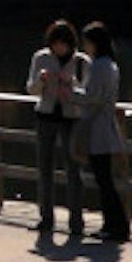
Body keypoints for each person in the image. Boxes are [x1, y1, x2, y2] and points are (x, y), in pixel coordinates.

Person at [26, 18, 87, 243]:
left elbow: (87, 92)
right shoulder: (40, 57)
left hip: (72, 119)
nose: (59, 48)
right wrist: (42, 82)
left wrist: (70, 84)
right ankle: (46, 218)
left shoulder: (81, 61)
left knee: (74, 172)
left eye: (63, 44)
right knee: (45, 169)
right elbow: (31, 89)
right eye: (55, 44)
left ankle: (76, 222)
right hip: (46, 116)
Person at [76, 20, 129, 248]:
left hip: (98, 127)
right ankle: (114, 225)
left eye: (86, 42)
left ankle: (115, 226)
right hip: (106, 125)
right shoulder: (110, 64)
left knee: (104, 180)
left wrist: (70, 92)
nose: (84, 47)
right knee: (105, 179)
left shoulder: (99, 66)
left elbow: (92, 97)